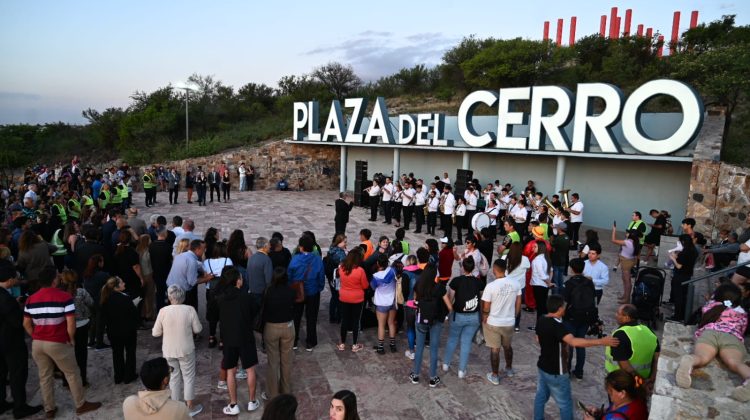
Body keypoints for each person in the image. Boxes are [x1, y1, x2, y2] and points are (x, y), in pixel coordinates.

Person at [22, 266, 101, 417]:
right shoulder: (64, 297)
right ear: (53, 280)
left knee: (45, 376)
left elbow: (26, 324)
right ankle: (81, 404)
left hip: (38, 343)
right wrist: (70, 338)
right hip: (57, 341)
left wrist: (36, 336)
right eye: (57, 276)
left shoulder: (31, 299)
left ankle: (49, 408)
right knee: (72, 373)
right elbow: (70, 323)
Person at [533, 294, 618, 420]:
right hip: (557, 371)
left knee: (540, 397)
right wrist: (601, 342)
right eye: (564, 306)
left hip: (542, 367)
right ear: (560, 309)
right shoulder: (558, 327)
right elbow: (574, 342)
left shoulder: (542, 319)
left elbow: (537, 338)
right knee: (565, 404)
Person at [676, 283, 750, 401]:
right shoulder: (742, 313)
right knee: (735, 362)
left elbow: (711, 304)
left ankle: (690, 362)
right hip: (731, 335)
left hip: (710, 332)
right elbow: (743, 329)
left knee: (702, 357)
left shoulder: (711, 306)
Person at [151, 285, 203, 416]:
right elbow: (198, 329)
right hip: (186, 349)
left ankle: (175, 408)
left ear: (169, 297)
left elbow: (155, 333)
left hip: (169, 350)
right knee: (188, 377)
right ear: (183, 296)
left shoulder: (163, 311)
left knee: (173, 377)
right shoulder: (189, 309)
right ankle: (189, 407)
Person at [0, 260, 43, 419]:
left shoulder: (5, 297)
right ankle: (20, 407)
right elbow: (17, 322)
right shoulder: (6, 299)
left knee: (1, 373)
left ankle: (2, 402)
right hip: (11, 343)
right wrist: (21, 309)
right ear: (10, 279)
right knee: (17, 374)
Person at [216, 267, 261, 415]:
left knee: (230, 370)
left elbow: (214, 316)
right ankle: (252, 401)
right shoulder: (246, 297)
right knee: (250, 369)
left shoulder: (220, 298)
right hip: (245, 336)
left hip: (229, 338)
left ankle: (233, 404)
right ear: (237, 281)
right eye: (241, 278)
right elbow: (254, 311)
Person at [409, 264, 451, 387]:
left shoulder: (418, 285)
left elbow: (416, 302)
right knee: (433, 348)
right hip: (436, 321)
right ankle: (433, 377)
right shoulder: (440, 288)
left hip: (421, 320)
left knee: (420, 348)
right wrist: (446, 315)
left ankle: (415, 375)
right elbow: (449, 306)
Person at [482, 258, 522, 384]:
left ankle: (495, 375)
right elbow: (518, 303)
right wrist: (514, 316)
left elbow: (486, 306)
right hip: (509, 322)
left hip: (493, 322)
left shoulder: (491, 286)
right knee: (508, 346)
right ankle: (509, 368)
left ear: (494, 270)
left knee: (495, 349)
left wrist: (484, 316)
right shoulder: (515, 283)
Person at [442, 256, 482, 378]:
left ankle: (445, 364)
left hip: (458, 315)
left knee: (452, 339)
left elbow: (450, 298)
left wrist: (449, 313)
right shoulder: (479, 282)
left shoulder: (456, 281)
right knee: (466, 342)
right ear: (473, 267)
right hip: (474, 316)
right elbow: (480, 298)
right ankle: (461, 370)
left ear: (463, 267)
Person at [605, 304, 660, 393]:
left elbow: (626, 367)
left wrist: (642, 384)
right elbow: (657, 359)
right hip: (643, 381)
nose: (616, 315)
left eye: (618, 313)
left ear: (627, 318)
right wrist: (651, 380)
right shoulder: (649, 331)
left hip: (621, 384)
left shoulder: (620, 335)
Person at [261, 268, 296, 399]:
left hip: (271, 327)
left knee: (272, 361)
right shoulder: (291, 291)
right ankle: (286, 390)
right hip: (288, 327)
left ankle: (272, 393)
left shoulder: (268, 291)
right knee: (286, 361)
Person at [562, 258, 598, 380]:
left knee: (569, 344)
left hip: (571, 318)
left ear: (572, 269)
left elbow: (565, 303)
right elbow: (594, 299)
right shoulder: (589, 283)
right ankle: (579, 371)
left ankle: (566, 370)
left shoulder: (569, 284)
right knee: (581, 343)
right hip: (586, 317)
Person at [288, 235, 325, 351]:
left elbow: (289, 276)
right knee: (311, 317)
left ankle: (294, 341)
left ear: (302, 247)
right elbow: (321, 277)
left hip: (298, 291)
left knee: (296, 317)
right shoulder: (317, 259)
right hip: (313, 291)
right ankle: (310, 342)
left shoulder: (295, 259)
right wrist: (319, 288)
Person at [122, 357, 191, 420]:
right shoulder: (179, 409)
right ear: (165, 380)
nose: (170, 371)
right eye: (169, 370)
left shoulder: (128, 403)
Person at [101, 276, 140, 384]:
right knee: (130, 352)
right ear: (116, 287)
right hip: (128, 331)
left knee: (117, 354)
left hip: (113, 332)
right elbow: (134, 314)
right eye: (122, 282)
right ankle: (129, 375)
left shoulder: (105, 299)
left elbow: (105, 317)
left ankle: (118, 376)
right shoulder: (125, 298)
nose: (124, 283)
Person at [58, 270, 93, 387]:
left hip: (65, 326)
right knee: (81, 354)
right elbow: (91, 303)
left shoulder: (59, 295)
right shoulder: (81, 292)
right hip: (82, 324)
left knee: (65, 355)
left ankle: (66, 380)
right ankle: (82, 380)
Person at [166, 239, 214, 312]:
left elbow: (197, 264)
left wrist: (202, 269)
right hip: (181, 293)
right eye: (203, 249)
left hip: (171, 289)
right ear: (198, 249)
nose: (204, 251)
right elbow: (192, 282)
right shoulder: (191, 261)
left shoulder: (181, 255)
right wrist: (207, 278)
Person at [581, 370, 648, 420]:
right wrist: (599, 412)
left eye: (611, 393)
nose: (610, 397)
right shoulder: (637, 398)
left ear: (622, 394)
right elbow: (613, 410)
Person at [371, 254, 398, 354]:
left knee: (381, 325)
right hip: (392, 301)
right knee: (391, 323)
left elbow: (373, 288)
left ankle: (381, 347)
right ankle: (392, 345)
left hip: (382, 303)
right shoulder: (392, 270)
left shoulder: (375, 277)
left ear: (378, 263)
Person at [668, 234, 699, 321]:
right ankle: (682, 315)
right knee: (683, 296)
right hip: (688, 275)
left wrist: (673, 258)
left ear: (683, 242)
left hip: (680, 276)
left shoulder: (685, 252)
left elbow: (679, 266)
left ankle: (677, 316)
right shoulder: (693, 250)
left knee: (679, 297)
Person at [611, 227, 641, 304]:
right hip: (629, 261)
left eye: (628, 233)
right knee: (625, 279)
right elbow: (637, 256)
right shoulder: (635, 242)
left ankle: (627, 299)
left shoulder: (628, 242)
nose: (626, 234)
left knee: (627, 281)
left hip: (626, 262)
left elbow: (613, 240)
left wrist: (614, 230)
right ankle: (625, 296)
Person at [529, 241, 553, 330]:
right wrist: (549, 282)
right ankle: (544, 325)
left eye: (534, 247)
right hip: (544, 286)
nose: (532, 248)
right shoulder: (546, 258)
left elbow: (542, 275)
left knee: (540, 307)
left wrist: (548, 282)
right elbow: (551, 271)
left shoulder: (537, 260)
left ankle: (540, 326)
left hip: (539, 286)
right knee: (543, 306)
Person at [326, 234, 347, 324]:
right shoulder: (340, 254)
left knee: (334, 297)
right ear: (339, 243)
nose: (346, 243)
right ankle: (338, 316)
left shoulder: (331, 249)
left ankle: (332, 316)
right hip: (338, 278)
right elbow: (344, 266)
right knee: (338, 297)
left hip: (331, 277)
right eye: (344, 242)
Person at [550, 222, 570, 292]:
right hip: (563, 261)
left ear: (560, 229)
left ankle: (555, 296)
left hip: (556, 261)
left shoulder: (559, 239)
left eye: (557, 227)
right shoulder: (567, 237)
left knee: (555, 280)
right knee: (561, 279)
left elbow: (553, 248)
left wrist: (551, 240)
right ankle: (561, 294)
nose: (557, 228)